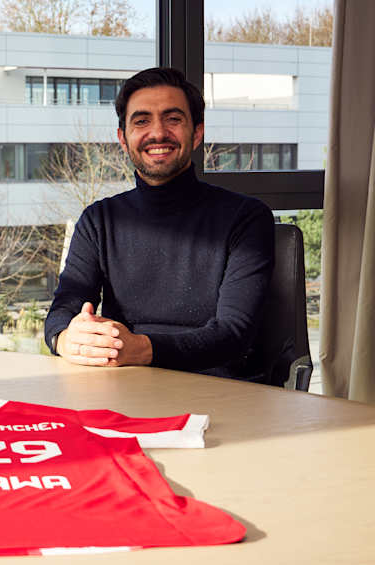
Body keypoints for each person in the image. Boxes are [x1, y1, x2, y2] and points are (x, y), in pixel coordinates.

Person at [44, 67, 274, 380]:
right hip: (121, 384)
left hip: (218, 387)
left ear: (197, 133)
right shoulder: (98, 220)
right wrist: (67, 339)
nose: (157, 133)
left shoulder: (246, 218)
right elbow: (63, 310)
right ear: (123, 139)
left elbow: (235, 333)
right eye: (141, 121)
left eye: (173, 118)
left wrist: (142, 349)